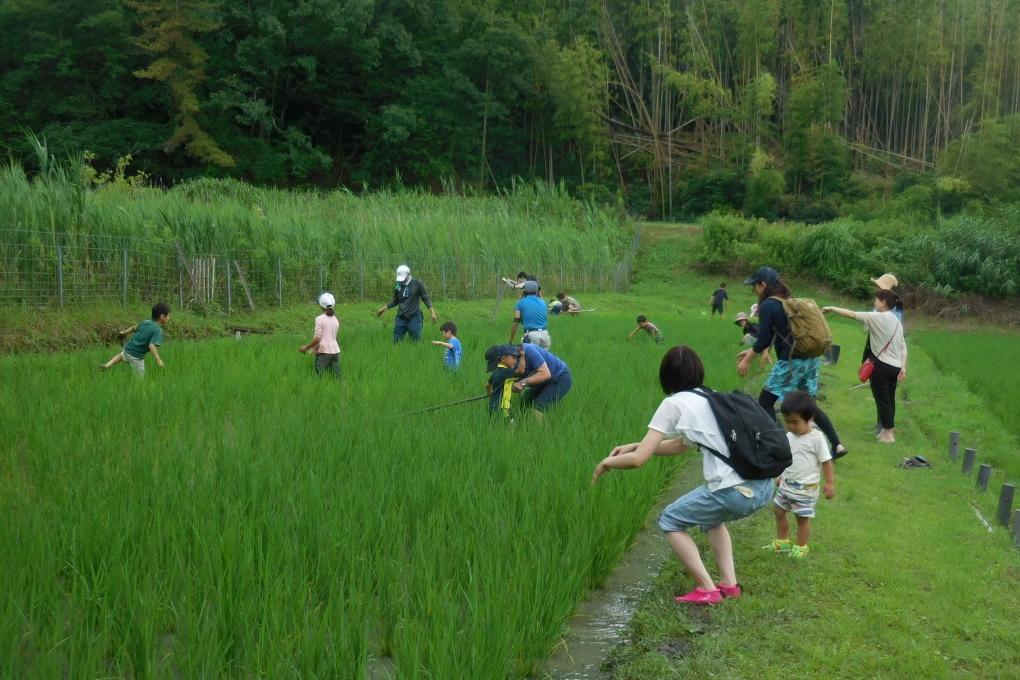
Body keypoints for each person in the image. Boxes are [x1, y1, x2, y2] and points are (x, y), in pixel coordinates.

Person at [592, 345, 774, 605]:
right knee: (711, 520)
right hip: (762, 487)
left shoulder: (673, 403)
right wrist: (638, 444)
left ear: (666, 377)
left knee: (670, 520)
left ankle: (707, 590)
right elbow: (680, 444)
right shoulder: (711, 397)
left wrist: (607, 461)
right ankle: (730, 586)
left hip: (733, 491)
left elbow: (638, 460)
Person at [735, 267, 848, 459]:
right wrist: (751, 350)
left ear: (763, 285)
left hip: (792, 362)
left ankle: (780, 445)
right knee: (808, 404)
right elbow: (775, 335)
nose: (754, 290)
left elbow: (762, 340)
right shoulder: (787, 301)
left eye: (754, 286)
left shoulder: (768, 305)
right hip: (810, 360)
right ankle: (837, 445)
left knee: (765, 402)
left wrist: (746, 361)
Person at [823, 290, 907, 443]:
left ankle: (888, 434)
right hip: (894, 367)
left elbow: (852, 314)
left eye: (876, 299)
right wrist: (903, 367)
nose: (874, 302)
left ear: (883, 302)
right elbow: (902, 346)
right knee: (888, 398)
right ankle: (885, 431)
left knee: (882, 399)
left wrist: (831, 308)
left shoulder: (877, 317)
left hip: (881, 366)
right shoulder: (897, 322)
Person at [765, 391, 835, 559]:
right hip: (787, 484)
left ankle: (801, 547)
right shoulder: (789, 436)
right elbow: (787, 458)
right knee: (778, 510)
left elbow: (826, 461)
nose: (790, 426)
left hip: (805, 489)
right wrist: (780, 474)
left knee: (802, 518)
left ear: (809, 417)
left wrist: (830, 482)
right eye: (787, 422)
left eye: (795, 422)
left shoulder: (817, 438)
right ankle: (782, 542)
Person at [484, 342, 572, 419]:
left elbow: (545, 374)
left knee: (537, 408)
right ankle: (523, 428)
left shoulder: (528, 350)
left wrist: (522, 383)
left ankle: (541, 435)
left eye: (497, 364)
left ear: (503, 358)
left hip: (559, 377)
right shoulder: (507, 365)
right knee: (523, 404)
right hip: (541, 382)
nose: (498, 368)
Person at [100, 302, 170, 377]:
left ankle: (108, 365)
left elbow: (133, 328)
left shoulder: (146, 322)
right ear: (162, 316)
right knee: (140, 379)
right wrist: (158, 360)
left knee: (121, 356)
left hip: (128, 349)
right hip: (137, 356)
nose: (169, 318)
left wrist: (124, 332)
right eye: (168, 316)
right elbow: (152, 345)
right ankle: (138, 387)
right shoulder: (158, 330)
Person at [376, 264, 437, 343]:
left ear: (408, 274)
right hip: (401, 317)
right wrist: (384, 308)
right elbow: (395, 300)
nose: (402, 280)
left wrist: (432, 313)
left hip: (414, 317)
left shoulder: (417, 284)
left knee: (415, 342)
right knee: (396, 341)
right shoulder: (398, 284)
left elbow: (425, 298)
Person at [298, 293, 341, 377]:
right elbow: (334, 337)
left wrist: (306, 347)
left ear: (321, 305)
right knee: (336, 376)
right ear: (333, 304)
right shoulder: (336, 320)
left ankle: (321, 388)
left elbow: (318, 338)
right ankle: (342, 388)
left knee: (320, 377)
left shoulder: (319, 319)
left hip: (323, 352)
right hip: (335, 351)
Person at [510, 280, 551, 348]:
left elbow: (516, 322)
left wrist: (511, 340)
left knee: (525, 358)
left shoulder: (520, 303)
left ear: (524, 290)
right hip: (545, 335)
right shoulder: (543, 302)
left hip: (531, 336)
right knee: (542, 358)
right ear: (537, 290)